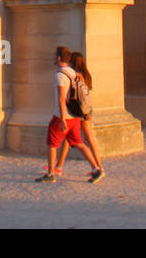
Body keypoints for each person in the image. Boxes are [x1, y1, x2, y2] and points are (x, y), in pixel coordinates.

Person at [35, 46, 99, 183]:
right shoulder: (73, 72)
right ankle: (96, 169)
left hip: (61, 116)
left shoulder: (59, 75)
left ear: (58, 58)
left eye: (55, 55)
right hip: (75, 116)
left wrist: (62, 118)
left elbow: (61, 98)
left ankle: (51, 173)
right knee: (79, 143)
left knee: (52, 144)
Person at [53, 51, 105, 183]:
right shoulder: (86, 74)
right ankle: (59, 166)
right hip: (86, 109)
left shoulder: (77, 75)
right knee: (73, 138)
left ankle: (99, 167)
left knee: (83, 139)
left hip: (80, 111)